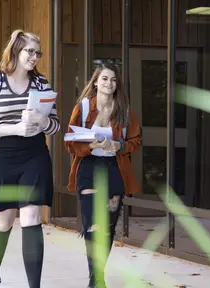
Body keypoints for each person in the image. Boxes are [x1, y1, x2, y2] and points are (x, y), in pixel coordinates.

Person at [0, 29, 60, 288]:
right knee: (3, 221)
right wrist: (13, 128)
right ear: (15, 50)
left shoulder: (42, 84)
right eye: (30, 51)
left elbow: (55, 126)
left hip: (34, 155)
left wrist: (43, 120)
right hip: (1, 156)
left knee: (31, 218)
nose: (35, 57)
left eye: (38, 52)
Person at [65, 63, 141, 288]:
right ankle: (95, 279)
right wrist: (89, 145)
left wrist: (118, 146)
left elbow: (135, 142)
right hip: (88, 167)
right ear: (96, 82)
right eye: (105, 79)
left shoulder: (126, 112)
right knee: (93, 224)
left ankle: (98, 276)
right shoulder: (83, 108)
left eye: (113, 80)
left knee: (107, 226)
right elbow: (70, 143)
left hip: (114, 168)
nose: (109, 83)